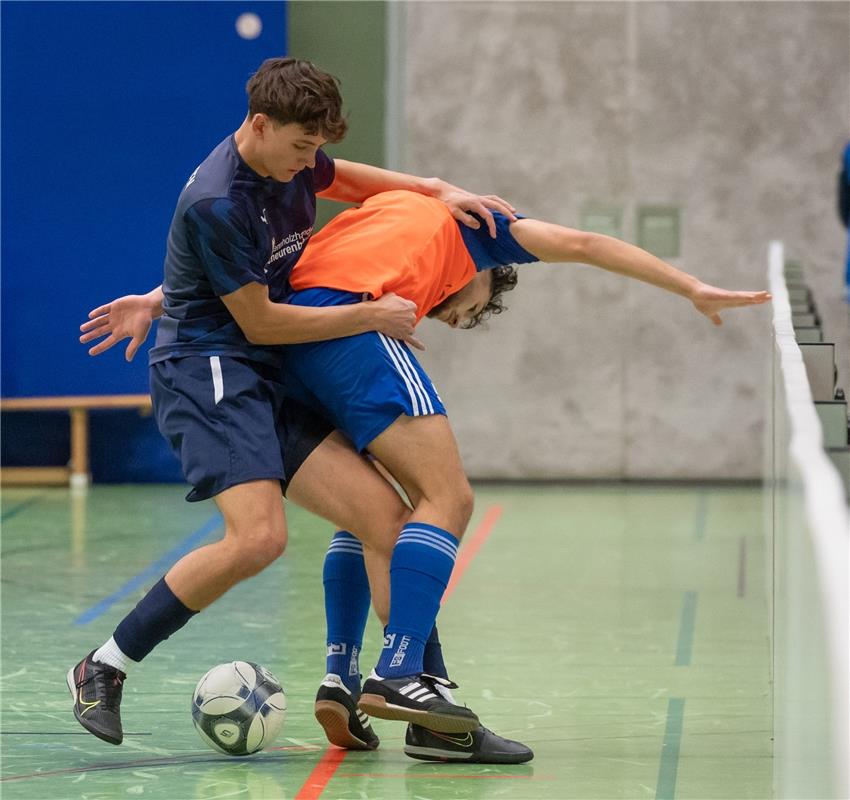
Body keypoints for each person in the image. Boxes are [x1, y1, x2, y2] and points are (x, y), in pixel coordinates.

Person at [67, 56, 518, 754]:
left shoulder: (291, 161)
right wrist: (370, 316)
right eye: (302, 147)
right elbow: (261, 322)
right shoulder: (218, 199)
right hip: (207, 369)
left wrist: (435, 190)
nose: (313, 162)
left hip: (265, 369)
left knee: (390, 523)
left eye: (317, 148)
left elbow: (350, 181)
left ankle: (432, 716)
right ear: (259, 124)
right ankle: (103, 667)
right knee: (258, 538)